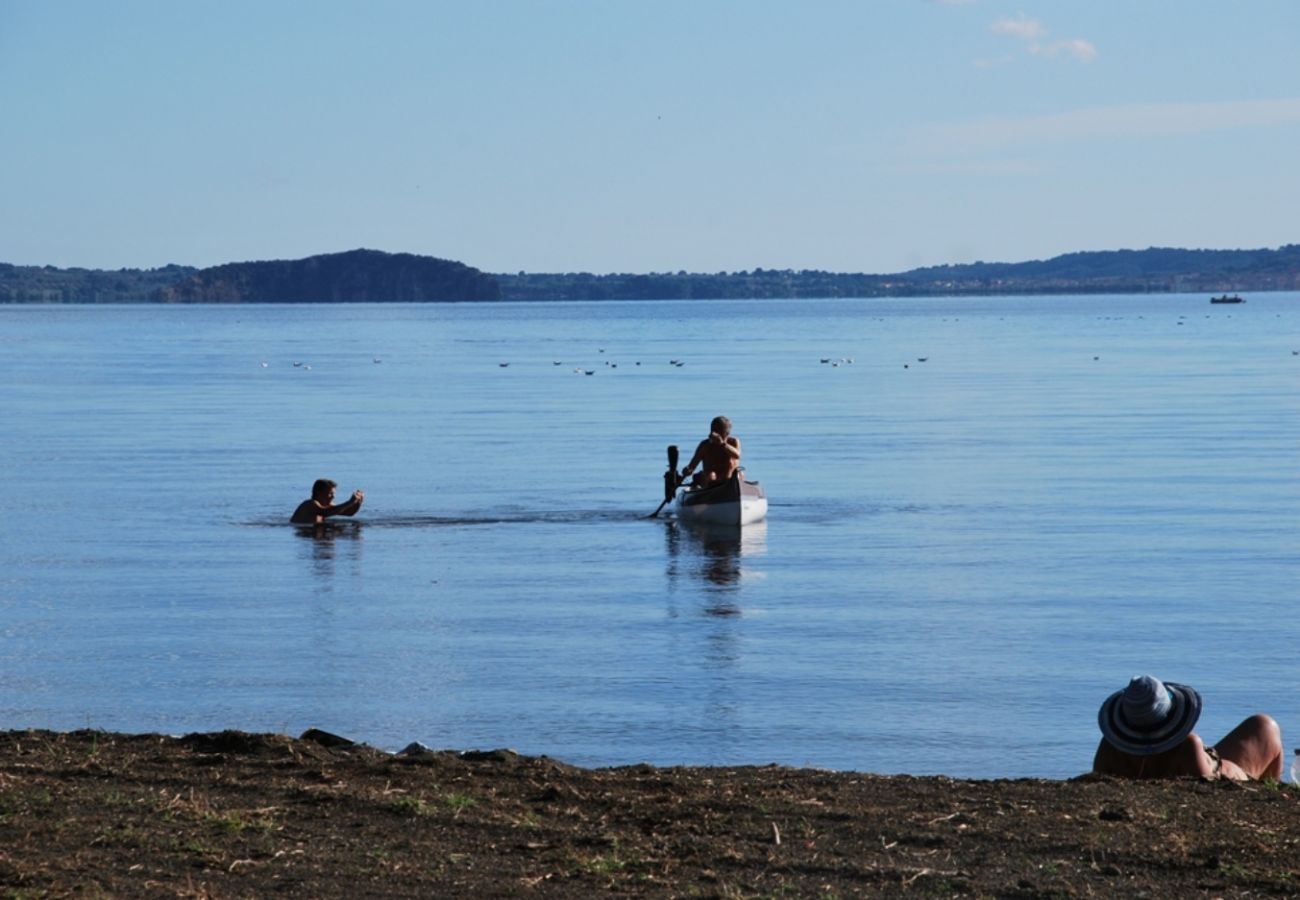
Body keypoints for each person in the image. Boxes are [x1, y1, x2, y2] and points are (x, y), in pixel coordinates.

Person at [1093, 674, 1282, 781]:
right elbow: (1209, 784)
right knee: (1264, 725)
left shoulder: (1110, 747)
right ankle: (1272, 788)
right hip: (1233, 774)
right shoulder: (1187, 746)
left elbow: (1098, 780)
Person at [681, 416, 742, 488]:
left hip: (730, 482)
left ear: (727, 434)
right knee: (711, 475)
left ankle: (736, 491)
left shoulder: (733, 442)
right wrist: (687, 471)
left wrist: (722, 444)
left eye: (720, 433)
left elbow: (737, 455)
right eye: (714, 431)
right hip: (711, 483)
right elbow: (692, 466)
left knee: (740, 474)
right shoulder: (705, 445)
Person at [290, 479, 364, 525]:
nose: (333, 497)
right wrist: (349, 502)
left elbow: (349, 513)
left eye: (334, 494)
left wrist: (358, 502)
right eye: (330, 494)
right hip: (306, 530)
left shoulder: (328, 506)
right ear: (319, 493)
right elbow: (326, 512)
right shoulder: (310, 504)